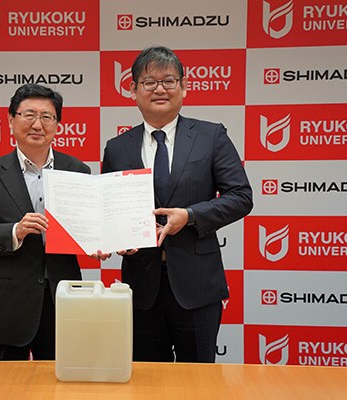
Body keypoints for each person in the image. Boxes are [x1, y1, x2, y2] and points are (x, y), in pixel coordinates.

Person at [101, 46, 253, 363]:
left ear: (184, 88)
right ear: (132, 90)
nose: (159, 89)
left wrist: (190, 215)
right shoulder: (117, 147)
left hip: (196, 286)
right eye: (149, 82)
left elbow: (241, 196)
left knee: (198, 384)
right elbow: (109, 210)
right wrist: (116, 240)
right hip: (141, 289)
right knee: (146, 383)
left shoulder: (211, 136)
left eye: (169, 81)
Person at [0, 83, 90, 361]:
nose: (37, 124)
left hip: (63, 303)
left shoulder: (78, 171)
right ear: (11, 120)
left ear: (57, 124)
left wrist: (98, 240)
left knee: (63, 389)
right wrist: (14, 231)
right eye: (28, 114)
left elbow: (88, 225)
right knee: (2, 390)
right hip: (9, 308)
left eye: (47, 116)